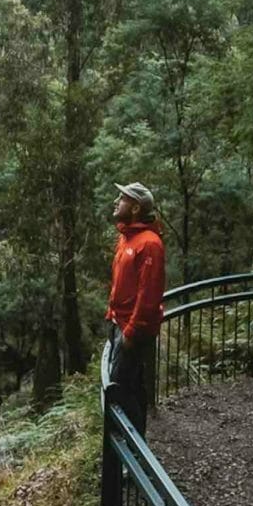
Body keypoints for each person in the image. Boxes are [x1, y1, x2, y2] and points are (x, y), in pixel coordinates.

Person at [102, 182, 166, 438]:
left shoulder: (149, 244)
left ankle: (129, 452)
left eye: (123, 198)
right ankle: (136, 447)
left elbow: (148, 294)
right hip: (118, 323)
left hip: (132, 330)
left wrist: (131, 331)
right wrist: (112, 315)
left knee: (118, 390)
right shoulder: (126, 238)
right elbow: (121, 284)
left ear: (136, 207)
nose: (117, 201)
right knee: (133, 386)